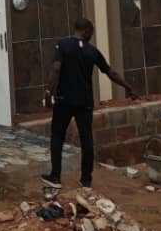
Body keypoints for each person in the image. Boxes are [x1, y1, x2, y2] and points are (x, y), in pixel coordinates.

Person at [42, 17, 138, 189]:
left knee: (57, 136)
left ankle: (55, 176)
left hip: (64, 100)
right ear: (85, 31)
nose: (92, 35)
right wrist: (128, 87)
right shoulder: (92, 51)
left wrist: (49, 92)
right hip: (85, 102)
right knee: (86, 139)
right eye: (91, 32)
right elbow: (111, 73)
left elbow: (56, 68)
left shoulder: (63, 45)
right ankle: (86, 180)